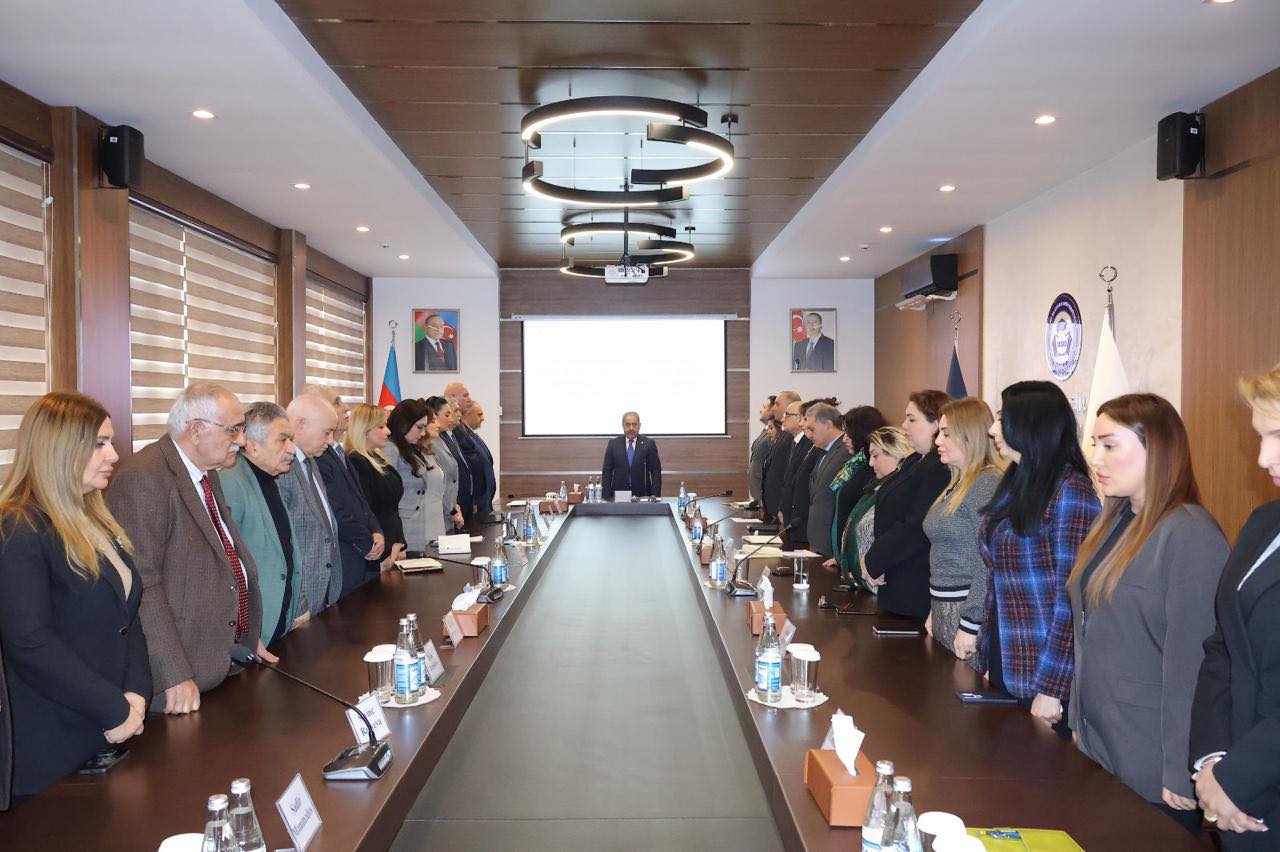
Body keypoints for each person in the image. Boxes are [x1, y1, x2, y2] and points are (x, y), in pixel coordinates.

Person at [1063, 394, 1226, 833]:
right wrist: (1077, 718)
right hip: (1099, 742)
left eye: (1110, 445)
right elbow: (1087, 630)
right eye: (1094, 445)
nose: (1096, 459)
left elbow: (1193, 662)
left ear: (1157, 449)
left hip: (1150, 758)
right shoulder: (1114, 521)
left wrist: (1182, 766)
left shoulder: (1190, 533)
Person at [0, 392, 149, 801]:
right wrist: (113, 707)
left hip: (112, 728)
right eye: (99, 444)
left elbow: (128, 616)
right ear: (59, 449)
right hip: (54, 741)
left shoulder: (93, 517)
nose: (113, 455)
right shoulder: (18, 526)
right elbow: (29, 642)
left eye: (110, 442)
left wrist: (136, 694)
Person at [107, 381, 266, 715]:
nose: (241, 440)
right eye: (233, 429)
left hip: (219, 661)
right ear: (196, 430)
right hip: (179, 682)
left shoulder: (205, 469)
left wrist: (245, 633)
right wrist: (174, 673)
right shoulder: (144, 477)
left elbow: (222, 555)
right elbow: (142, 585)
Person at [977, 381, 1099, 733]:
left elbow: (1072, 598)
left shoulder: (1071, 490)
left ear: (1031, 425)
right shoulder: (1017, 481)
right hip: (1006, 655)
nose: (992, 430)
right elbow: (997, 580)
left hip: (1043, 671)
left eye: (1002, 419)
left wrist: (1052, 687)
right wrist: (985, 653)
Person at [1192, 363, 1280, 843]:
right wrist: (1211, 762)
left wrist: (1236, 777)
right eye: (1260, 437)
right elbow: (1223, 646)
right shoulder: (1264, 523)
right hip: (1233, 790)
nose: (1264, 458)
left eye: (1277, 435)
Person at [922, 398, 1002, 669]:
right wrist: (935, 610)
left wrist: (971, 623)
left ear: (970, 435)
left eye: (946, 434)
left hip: (966, 611)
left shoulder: (986, 483)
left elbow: (988, 560)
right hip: (945, 608)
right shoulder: (957, 483)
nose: (937, 441)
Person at [218, 402, 306, 647]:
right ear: (252, 445)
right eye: (282, 440)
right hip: (252, 630)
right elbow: (226, 567)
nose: (291, 449)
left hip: (279, 620)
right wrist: (242, 632)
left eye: (291, 440)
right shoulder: (231, 482)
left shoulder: (269, 478)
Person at [862, 390, 952, 622]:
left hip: (915, 585)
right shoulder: (915, 460)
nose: (904, 426)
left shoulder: (939, 468)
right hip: (895, 581)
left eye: (912, 419)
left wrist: (875, 559)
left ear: (936, 423)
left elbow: (915, 525)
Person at [304, 388, 384, 596]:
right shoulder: (316, 455)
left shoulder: (335, 450)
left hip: (362, 557)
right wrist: (367, 543)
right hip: (345, 558)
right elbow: (334, 509)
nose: (346, 407)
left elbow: (361, 501)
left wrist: (376, 531)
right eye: (337, 402)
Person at [276, 394, 343, 616]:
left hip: (324, 590)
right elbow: (284, 544)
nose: (330, 440)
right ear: (300, 425)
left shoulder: (310, 461)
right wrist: (299, 604)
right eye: (326, 432)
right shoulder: (281, 469)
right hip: (301, 598)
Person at [823, 406, 888, 591]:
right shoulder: (857, 463)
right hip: (846, 563)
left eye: (848, 433)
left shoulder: (873, 469)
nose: (844, 438)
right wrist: (839, 556)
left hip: (862, 568)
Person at [345, 403, 406, 571]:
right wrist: (387, 550)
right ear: (365, 430)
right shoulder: (357, 462)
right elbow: (366, 513)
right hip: (378, 552)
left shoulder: (378, 457)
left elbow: (392, 508)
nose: (388, 431)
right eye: (381, 426)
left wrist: (398, 543)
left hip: (391, 546)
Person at [385, 400, 448, 553]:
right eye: (419, 427)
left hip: (419, 525)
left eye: (425, 428)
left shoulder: (411, 448)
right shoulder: (390, 448)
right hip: (403, 528)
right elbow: (386, 497)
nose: (423, 433)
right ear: (404, 424)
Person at [805, 402, 853, 557]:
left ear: (827, 424)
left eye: (812, 429)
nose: (809, 435)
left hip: (830, 542)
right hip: (818, 539)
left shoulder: (846, 451)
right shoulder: (824, 450)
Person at [444, 381, 491, 520]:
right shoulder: (452, 432)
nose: (469, 399)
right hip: (461, 505)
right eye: (465, 395)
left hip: (473, 502)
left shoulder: (461, 429)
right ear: (452, 397)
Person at [776, 399, 817, 545]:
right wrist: (782, 508)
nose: (782, 419)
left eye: (787, 415)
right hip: (790, 518)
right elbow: (787, 480)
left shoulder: (810, 444)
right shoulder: (794, 442)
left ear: (800, 418)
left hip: (802, 521)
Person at [425, 396, 467, 530]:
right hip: (440, 512)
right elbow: (439, 483)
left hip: (450, 510)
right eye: (447, 415)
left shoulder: (441, 439)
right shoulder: (429, 443)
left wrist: (455, 506)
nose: (451, 419)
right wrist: (452, 510)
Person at [601, 411, 662, 499]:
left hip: (642, 494)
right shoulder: (613, 444)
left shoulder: (648, 443)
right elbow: (607, 471)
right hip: (619, 494)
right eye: (628, 424)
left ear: (639, 426)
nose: (631, 428)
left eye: (634, 424)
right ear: (623, 425)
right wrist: (606, 496)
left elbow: (655, 471)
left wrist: (655, 494)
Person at [462, 401, 497, 518]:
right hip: (478, 501)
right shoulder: (464, 438)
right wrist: (475, 500)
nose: (483, 419)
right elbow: (472, 470)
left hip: (485, 501)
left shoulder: (473, 435)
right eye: (479, 414)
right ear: (468, 414)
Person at [749, 395, 777, 506]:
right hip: (758, 488)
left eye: (764, 407)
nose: (760, 410)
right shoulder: (765, 431)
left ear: (772, 410)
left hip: (764, 488)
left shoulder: (774, 434)